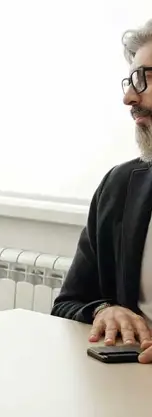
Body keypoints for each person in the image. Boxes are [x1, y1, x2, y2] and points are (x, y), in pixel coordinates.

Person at [51, 18, 152, 364]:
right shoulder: (119, 186)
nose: (129, 97)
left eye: (146, 78)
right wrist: (104, 310)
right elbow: (67, 303)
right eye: (132, 79)